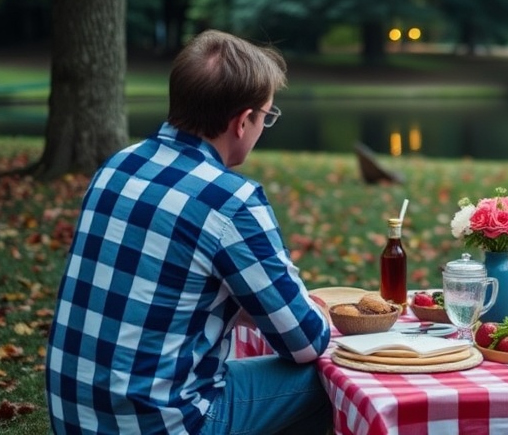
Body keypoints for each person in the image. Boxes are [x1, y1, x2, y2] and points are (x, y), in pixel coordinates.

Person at [45, 30, 332, 434]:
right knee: (326, 382)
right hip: (159, 423)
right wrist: (313, 312)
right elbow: (304, 341)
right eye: (266, 115)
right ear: (241, 121)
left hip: (74, 415)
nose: (263, 126)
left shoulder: (117, 166)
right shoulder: (229, 200)